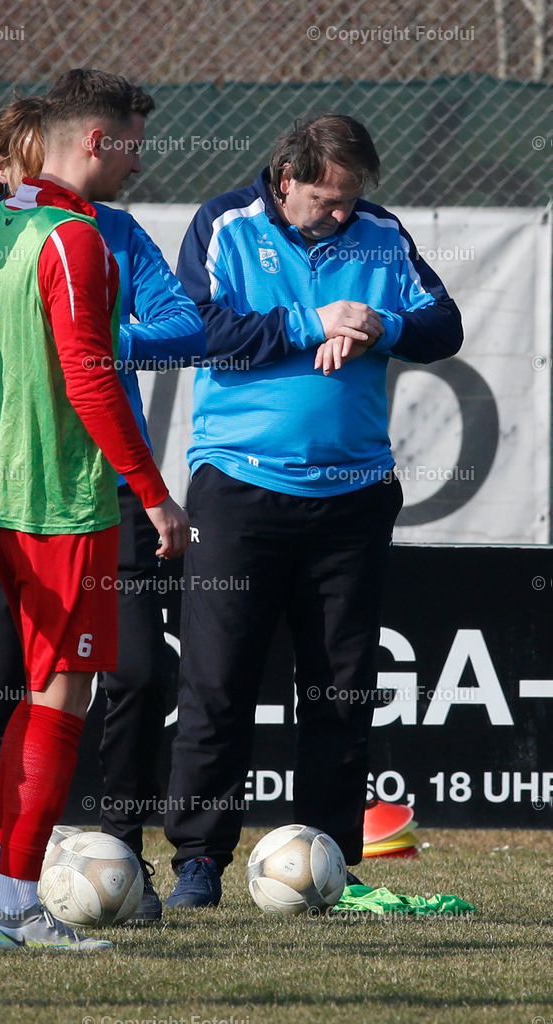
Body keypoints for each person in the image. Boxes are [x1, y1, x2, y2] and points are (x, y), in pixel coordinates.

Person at [0, 95, 204, 924]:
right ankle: (14, 906)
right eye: (131, 147)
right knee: (55, 697)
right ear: (85, 146)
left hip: (1, 499)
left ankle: (9, 882)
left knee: (46, 691)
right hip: (68, 502)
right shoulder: (69, 240)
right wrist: (152, 492)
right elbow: (86, 377)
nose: (139, 163)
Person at [164, 113, 463, 908]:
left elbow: (444, 326)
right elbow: (197, 330)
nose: (340, 213)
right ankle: (198, 859)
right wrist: (312, 322)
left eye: (351, 198)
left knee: (338, 688)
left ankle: (330, 857)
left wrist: (377, 323)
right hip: (239, 487)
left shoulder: (379, 232)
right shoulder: (222, 226)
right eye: (326, 198)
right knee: (217, 683)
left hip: (355, 495)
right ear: (285, 178)